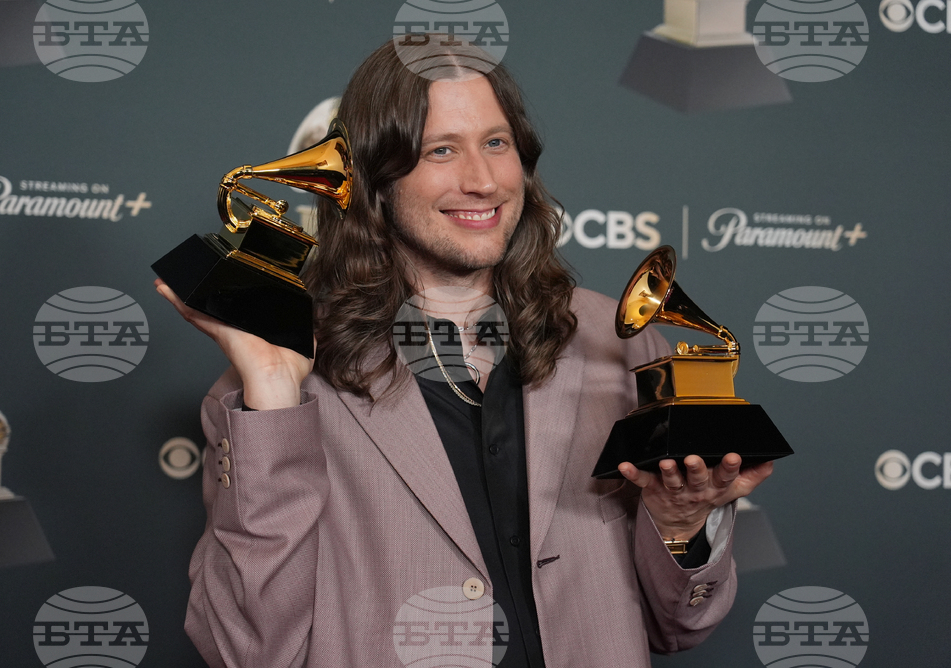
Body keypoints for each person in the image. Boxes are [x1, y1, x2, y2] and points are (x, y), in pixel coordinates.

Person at [157, 37, 773, 668]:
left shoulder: (618, 342)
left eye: (496, 143)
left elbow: (681, 625)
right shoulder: (277, 378)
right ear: (371, 177)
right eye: (440, 150)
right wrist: (271, 394)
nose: (481, 181)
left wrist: (679, 524)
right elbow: (247, 652)